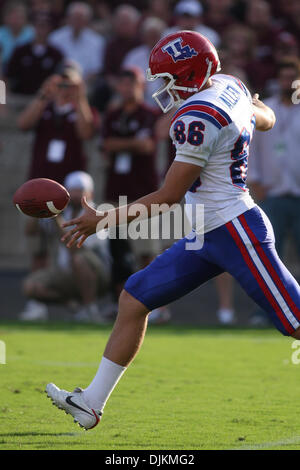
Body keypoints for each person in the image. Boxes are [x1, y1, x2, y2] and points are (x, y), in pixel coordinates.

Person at [45, 31, 300, 432]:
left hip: (235, 229)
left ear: (192, 73)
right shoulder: (229, 84)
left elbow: (168, 195)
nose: (163, 90)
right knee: (134, 297)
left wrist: (102, 220)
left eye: (168, 80)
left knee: (294, 321)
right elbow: (262, 116)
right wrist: (255, 110)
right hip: (207, 234)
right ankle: (91, 402)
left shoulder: (197, 117)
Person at [20, 171, 111, 322]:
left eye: (80, 190)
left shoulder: (97, 215)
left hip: (97, 276)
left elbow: (76, 248)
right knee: (31, 286)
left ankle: (91, 310)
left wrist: (56, 218)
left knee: (79, 260)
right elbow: (30, 231)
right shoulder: (64, 212)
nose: (75, 195)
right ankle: (75, 307)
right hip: (67, 274)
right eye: (72, 190)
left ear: (90, 194)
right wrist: (37, 207)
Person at [17, 61, 98, 185]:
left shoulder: (85, 109)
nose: (64, 87)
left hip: (70, 178)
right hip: (41, 173)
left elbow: (86, 133)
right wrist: (44, 93)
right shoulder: (44, 107)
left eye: (69, 83)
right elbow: (23, 124)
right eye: (61, 83)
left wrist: (80, 97)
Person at [5, 12, 64, 95]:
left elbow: (59, 79)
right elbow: (7, 76)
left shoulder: (56, 54)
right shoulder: (20, 51)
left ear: (50, 28)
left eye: (45, 26)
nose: (41, 30)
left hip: (46, 100)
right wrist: (4, 100)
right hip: (19, 97)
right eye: (39, 25)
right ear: (33, 27)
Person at [48, 2, 105, 82]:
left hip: (86, 84)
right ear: (68, 18)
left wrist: (80, 83)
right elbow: (51, 65)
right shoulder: (55, 38)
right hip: (60, 83)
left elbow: (96, 70)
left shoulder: (97, 41)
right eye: (75, 18)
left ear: (87, 21)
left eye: (81, 18)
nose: (77, 21)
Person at [0, 1, 34, 74]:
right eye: (13, 16)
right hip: (4, 72)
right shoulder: (0, 34)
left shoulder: (33, 34)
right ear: (6, 18)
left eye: (19, 16)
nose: (16, 20)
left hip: (27, 71)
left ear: (26, 18)